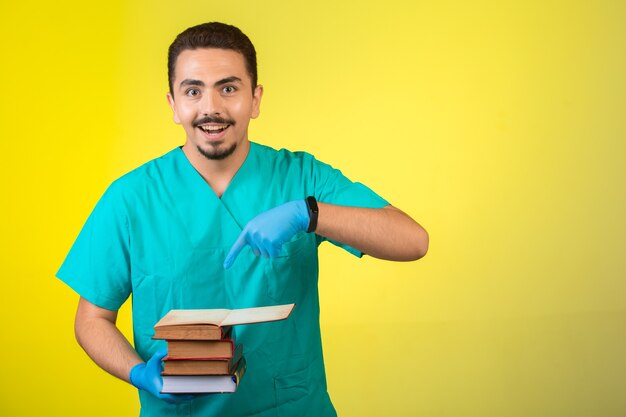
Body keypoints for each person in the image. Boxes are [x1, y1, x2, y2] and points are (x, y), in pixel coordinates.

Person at [57, 22, 428, 417]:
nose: (211, 107)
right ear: (173, 104)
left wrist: (310, 213)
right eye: (193, 90)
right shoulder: (130, 198)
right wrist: (138, 373)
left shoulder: (300, 178)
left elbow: (412, 241)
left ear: (255, 99)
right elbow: (92, 319)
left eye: (228, 88)